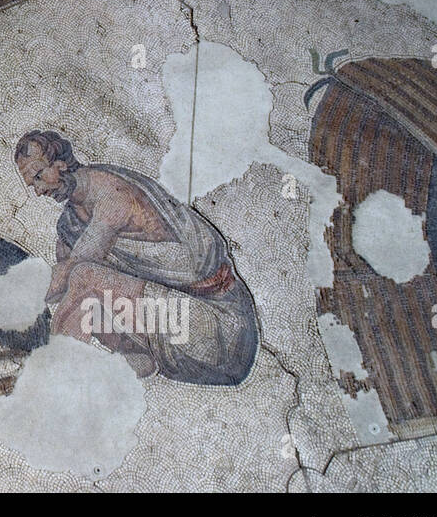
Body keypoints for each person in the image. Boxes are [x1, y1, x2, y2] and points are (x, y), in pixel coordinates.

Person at [14, 130, 258, 385]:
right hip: (167, 346)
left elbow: (71, 272)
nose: (39, 190)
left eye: (40, 176)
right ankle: (130, 359)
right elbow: (58, 291)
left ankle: (54, 384)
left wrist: (3, 301)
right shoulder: (69, 226)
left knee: (83, 276)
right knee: (74, 280)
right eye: (33, 185)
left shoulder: (113, 193)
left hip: (219, 331)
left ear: (61, 163)